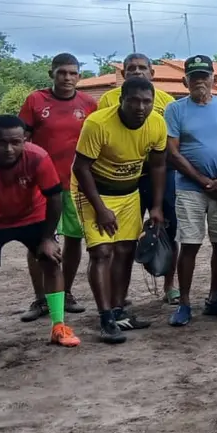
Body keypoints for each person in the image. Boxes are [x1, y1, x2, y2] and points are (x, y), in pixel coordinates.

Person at [0, 115, 80, 359]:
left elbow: (54, 198)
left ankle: (59, 326)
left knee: (51, 261)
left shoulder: (38, 157)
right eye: (0, 142)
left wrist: (49, 237)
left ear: (25, 140)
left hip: (33, 216)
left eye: (15, 142)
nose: (8, 148)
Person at [73, 77, 168, 344]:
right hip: (93, 192)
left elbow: (159, 166)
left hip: (129, 193)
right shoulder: (98, 124)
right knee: (102, 251)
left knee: (126, 250)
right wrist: (100, 209)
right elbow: (80, 168)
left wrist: (157, 207)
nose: (140, 107)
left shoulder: (157, 124)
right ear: (121, 100)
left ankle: (118, 310)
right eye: (134, 100)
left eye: (147, 101)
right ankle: (105, 318)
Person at [164, 55, 217, 327]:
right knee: (189, 244)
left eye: (205, 75)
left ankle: (214, 299)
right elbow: (173, 153)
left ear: (215, 79)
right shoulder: (175, 109)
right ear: (185, 80)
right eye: (194, 76)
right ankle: (185, 303)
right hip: (190, 188)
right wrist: (203, 181)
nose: (200, 80)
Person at [97, 53, 181, 304]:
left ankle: (170, 285)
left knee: (167, 228)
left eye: (142, 67)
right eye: (131, 68)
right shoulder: (108, 99)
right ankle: (118, 294)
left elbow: (169, 141)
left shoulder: (167, 102)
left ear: (152, 73)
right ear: (123, 73)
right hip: (123, 176)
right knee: (121, 236)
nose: (136, 71)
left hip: (160, 173)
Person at [18, 52, 95, 321]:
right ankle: (40, 299)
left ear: (79, 76)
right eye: (62, 72)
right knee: (38, 240)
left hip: (75, 184)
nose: (67, 78)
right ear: (51, 73)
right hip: (40, 186)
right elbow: (21, 141)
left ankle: (65, 293)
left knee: (74, 239)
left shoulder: (88, 104)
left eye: (73, 73)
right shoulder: (35, 100)